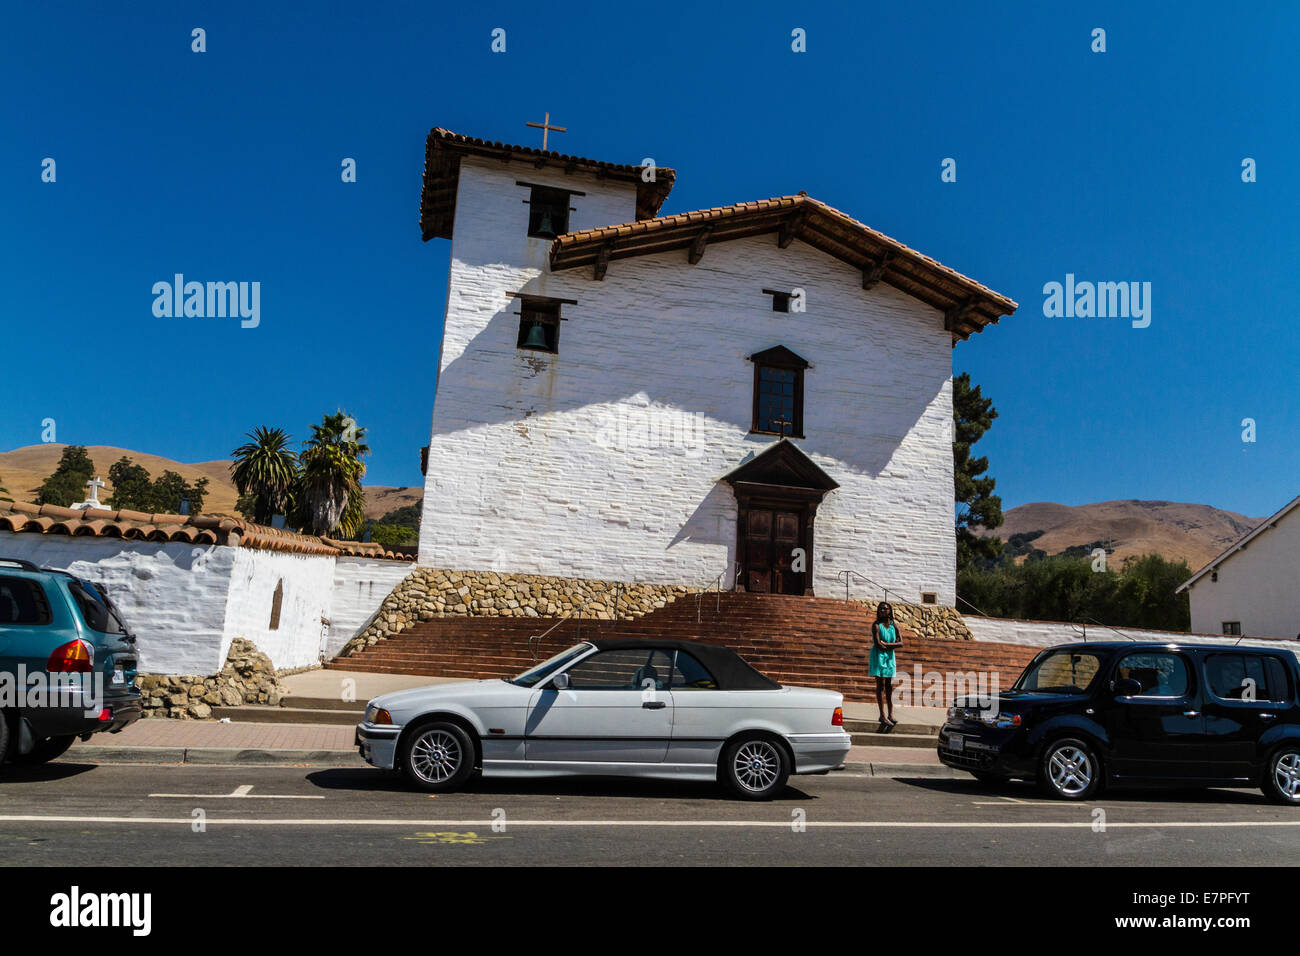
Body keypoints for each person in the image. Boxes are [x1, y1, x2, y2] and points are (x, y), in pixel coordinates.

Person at [869, 602, 903, 732]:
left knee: (889, 686)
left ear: (890, 610)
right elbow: (878, 644)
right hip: (878, 656)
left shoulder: (894, 625)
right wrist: (892, 645)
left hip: (889, 657)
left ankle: (890, 714)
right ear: (878, 611)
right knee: (880, 685)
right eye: (881, 609)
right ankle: (882, 715)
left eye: (886, 608)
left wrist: (887, 644)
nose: (884, 610)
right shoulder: (876, 625)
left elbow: (901, 643)